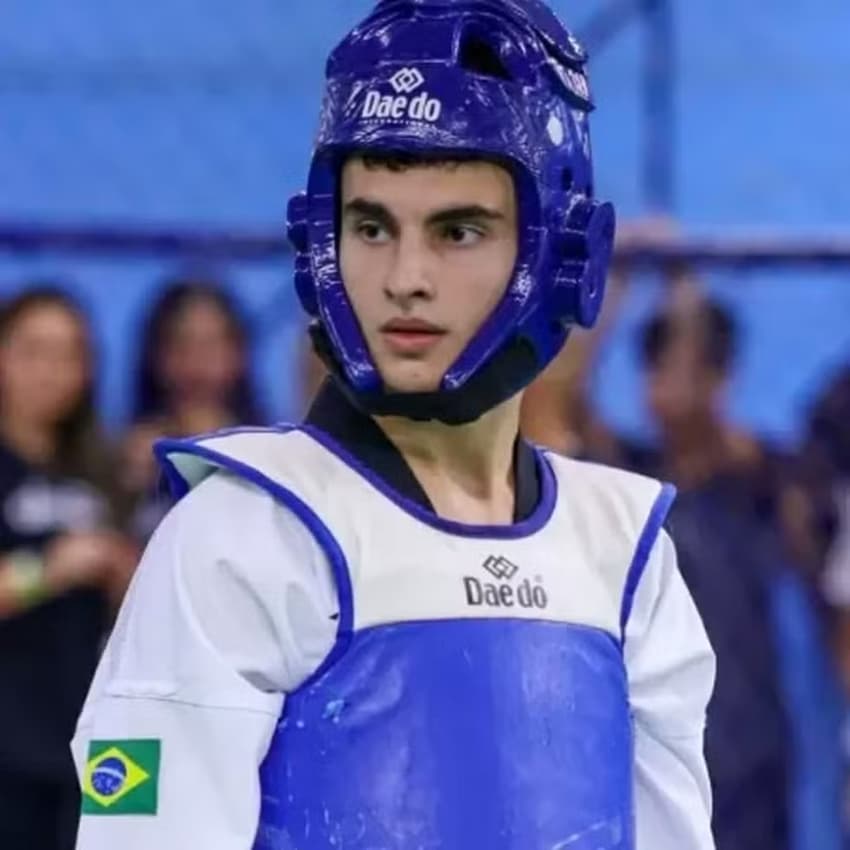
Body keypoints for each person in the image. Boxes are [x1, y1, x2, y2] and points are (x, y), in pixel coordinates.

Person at [72, 2, 715, 849]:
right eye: (372, 225)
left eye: (458, 230)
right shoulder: (246, 534)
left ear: (563, 257)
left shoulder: (626, 553)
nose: (404, 278)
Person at [611, 298, 843, 850]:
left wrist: (684, 299)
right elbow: (552, 408)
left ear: (720, 380)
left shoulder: (764, 483)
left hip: (750, 763)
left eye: (687, 371)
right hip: (649, 758)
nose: (667, 391)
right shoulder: (629, 481)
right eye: (656, 371)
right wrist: (613, 283)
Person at [0, 288, 136, 850]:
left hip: (87, 746)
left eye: (71, 354)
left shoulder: (101, 470)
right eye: (34, 351)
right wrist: (51, 569)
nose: (52, 372)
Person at [121, 277, 263, 539]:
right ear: (155, 356)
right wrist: (125, 493)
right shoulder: (122, 460)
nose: (197, 365)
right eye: (181, 345)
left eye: (211, 346)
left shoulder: (271, 459)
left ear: (240, 355)